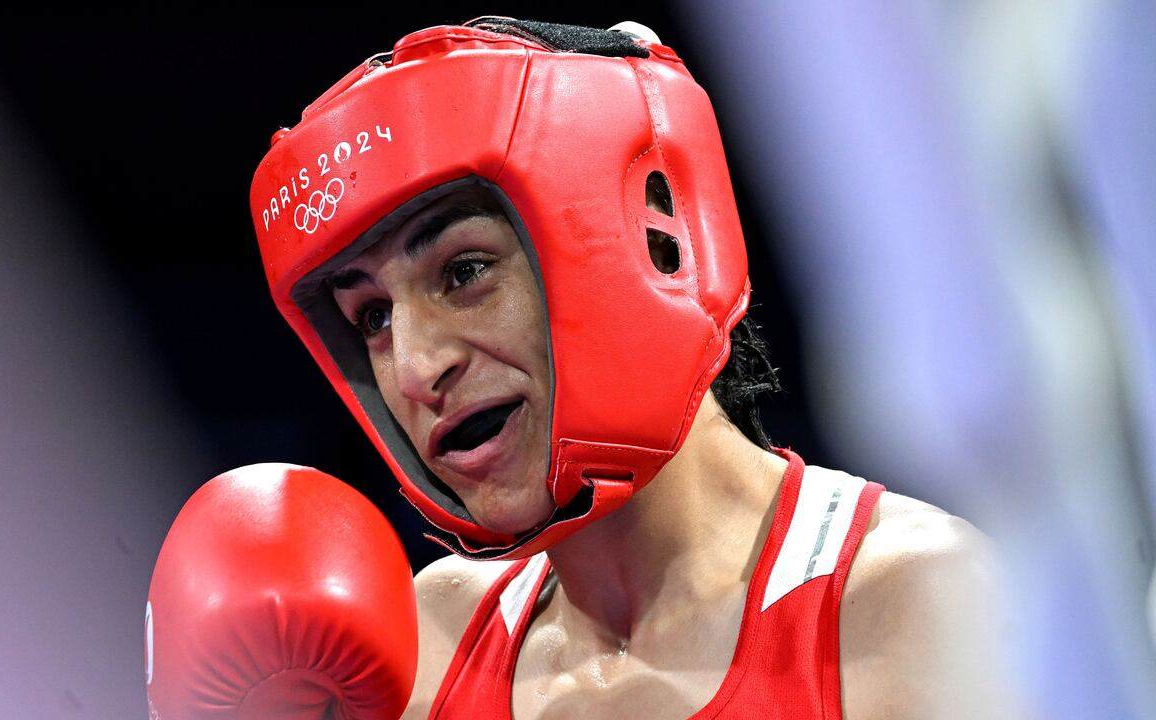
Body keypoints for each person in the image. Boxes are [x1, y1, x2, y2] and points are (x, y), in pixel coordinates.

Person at [153, 17, 1014, 720]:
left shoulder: (909, 610)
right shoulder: (423, 650)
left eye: (463, 272)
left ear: (650, 239)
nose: (416, 369)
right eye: (372, 318)